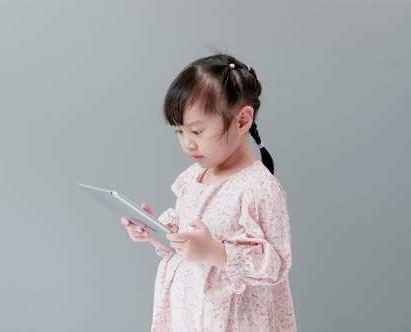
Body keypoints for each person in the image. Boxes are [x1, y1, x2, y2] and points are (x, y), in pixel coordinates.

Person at [121, 53, 297, 331]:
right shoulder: (193, 177)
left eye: (197, 131)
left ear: (241, 121)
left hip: (232, 320)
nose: (187, 144)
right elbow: (188, 240)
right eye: (179, 132)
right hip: (190, 314)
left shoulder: (257, 187)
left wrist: (216, 252)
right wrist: (156, 233)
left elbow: (276, 264)